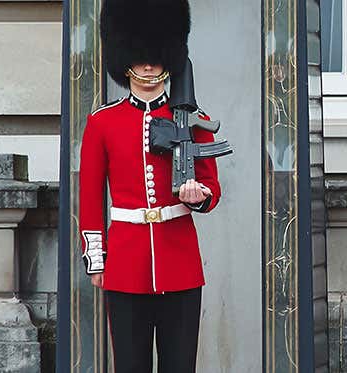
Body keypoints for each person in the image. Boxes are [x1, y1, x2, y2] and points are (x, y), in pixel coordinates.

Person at [79, 0, 220, 371]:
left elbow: (211, 186)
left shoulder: (192, 119)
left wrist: (199, 196)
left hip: (180, 261)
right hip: (125, 264)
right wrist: (97, 258)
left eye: (155, 55)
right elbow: (91, 197)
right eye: (139, 55)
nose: (146, 64)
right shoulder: (102, 123)